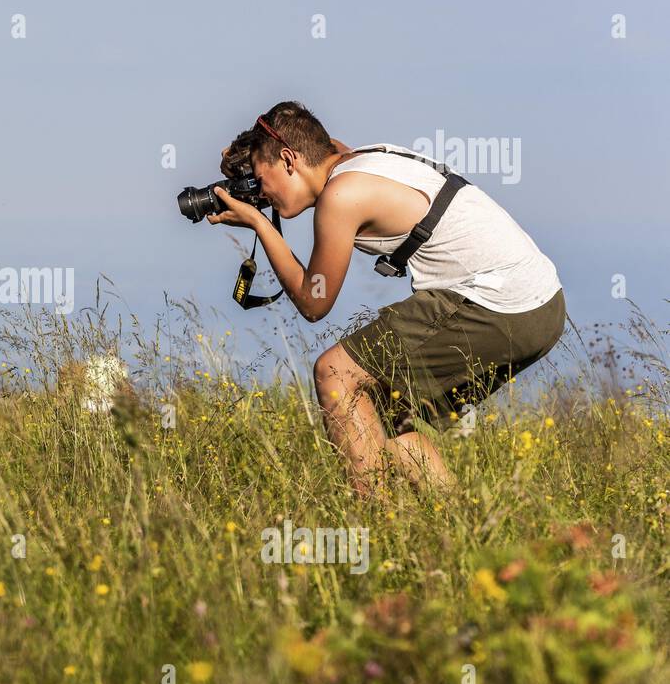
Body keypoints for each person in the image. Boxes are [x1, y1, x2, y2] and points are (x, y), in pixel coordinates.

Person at [206, 101, 565, 497]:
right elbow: (316, 144)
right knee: (377, 408)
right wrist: (247, 157)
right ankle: (455, 522)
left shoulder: (342, 196)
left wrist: (259, 222)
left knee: (336, 374)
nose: (262, 192)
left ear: (290, 159)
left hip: (497, 302)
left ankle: (377, 524)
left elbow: (314, 302)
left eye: (260, 179)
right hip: (539, 305)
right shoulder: (348, 159)